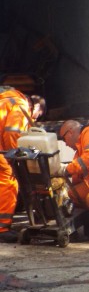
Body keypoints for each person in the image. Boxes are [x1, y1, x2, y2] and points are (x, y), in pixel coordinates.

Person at [0, 88, 46, 243]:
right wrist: (15, 156)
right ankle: (1, 229)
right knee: (8, 183)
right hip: (2, 149)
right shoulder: (20, 105)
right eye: (37, 116)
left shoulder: (7, 99)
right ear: (37, 107)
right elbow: (13, 133)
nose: (34, 119)